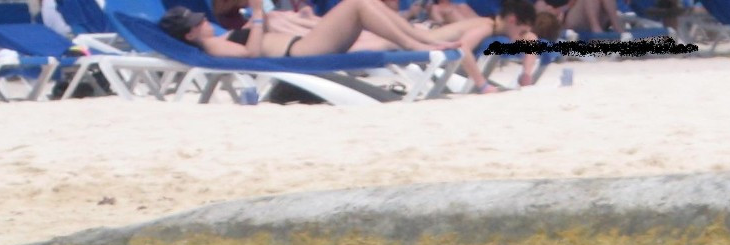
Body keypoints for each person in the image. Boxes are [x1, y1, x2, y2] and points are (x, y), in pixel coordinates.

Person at [159, 0, 532, 92]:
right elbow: (251, 55)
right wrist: (256, 15)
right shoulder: (213, 48)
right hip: (301, 53)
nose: (203, 20)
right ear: (191, 34)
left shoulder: (215, 38)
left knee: (361, 3)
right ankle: (415, 41)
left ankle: (416, 40)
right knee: (355, 4)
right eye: (197, 23)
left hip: (304, 43)